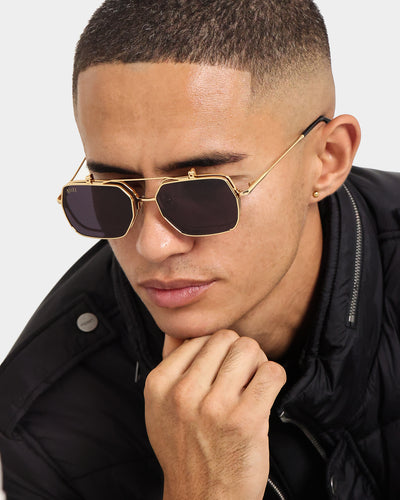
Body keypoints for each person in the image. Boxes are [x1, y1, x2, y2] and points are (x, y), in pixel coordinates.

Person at [0, 0, 399, 498]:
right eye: (112, 195)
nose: (152, 244)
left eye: (202, 193)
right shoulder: (42, 423)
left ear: (327, 160)